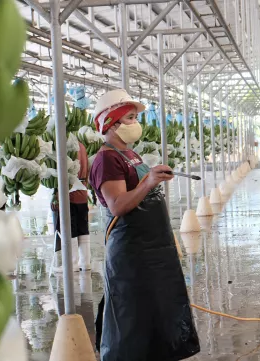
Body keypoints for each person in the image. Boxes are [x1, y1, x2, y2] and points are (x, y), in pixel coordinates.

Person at [89, 89, 200, 360]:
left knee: (154, 311)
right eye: (129, 117)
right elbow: (117, 205)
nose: (135, 123)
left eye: (135, 117)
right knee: (133, 315)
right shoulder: (107, 158)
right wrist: (149, 182)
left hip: (150, 250)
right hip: (131, 250)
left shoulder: (129, 154)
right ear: (111, 123)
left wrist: (153, 176)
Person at [52, 140, 92, 272]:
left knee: (69, 227)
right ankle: (85, 261)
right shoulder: (81, 145)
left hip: (69, 192)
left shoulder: (67, 145)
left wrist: (57, 193)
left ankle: (72, 262)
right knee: (82, 226)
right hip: (82, 190)